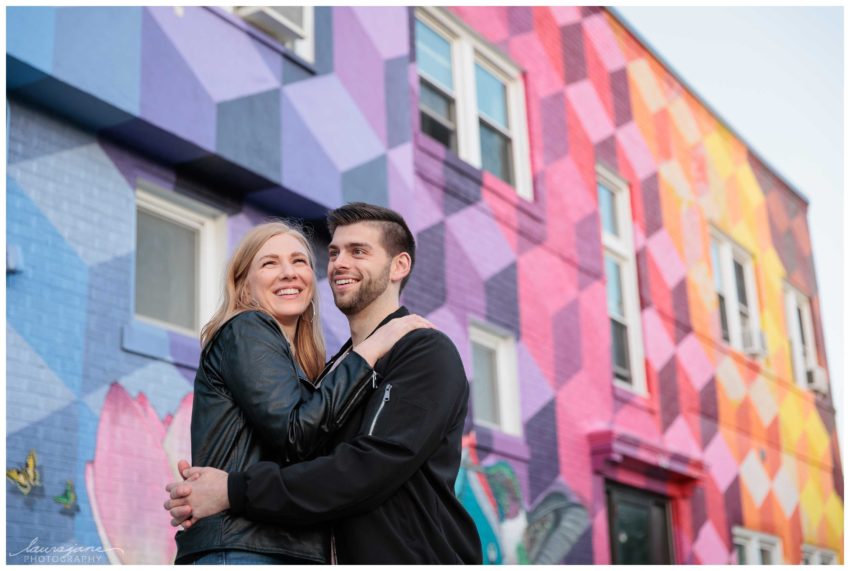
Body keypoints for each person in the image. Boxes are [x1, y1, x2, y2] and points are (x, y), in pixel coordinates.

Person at [165, 203, 483, 564]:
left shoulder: (423, 348)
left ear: (399, 265)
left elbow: (368, 468)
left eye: (358, 251)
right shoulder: (335, 369)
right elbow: (306, 452)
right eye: (333, 253)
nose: (340, 263)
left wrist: (232, 490)